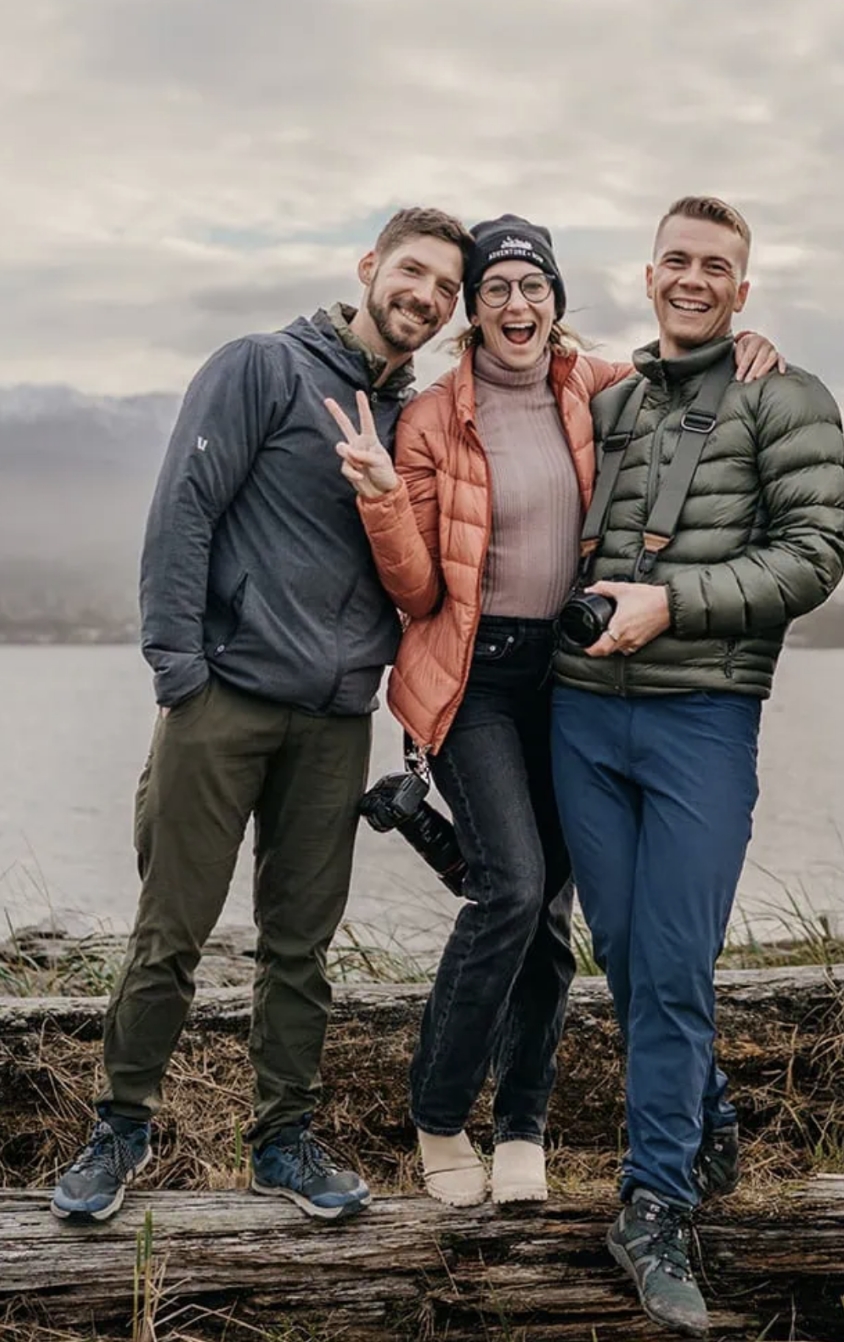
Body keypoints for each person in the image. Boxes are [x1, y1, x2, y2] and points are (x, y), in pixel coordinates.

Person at [326, 214, 780, 1210]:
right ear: (472, 310)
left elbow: (684, 380)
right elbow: (411, 587)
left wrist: (749, 349)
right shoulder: (433, 417)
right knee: (513, 889)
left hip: (571, 676)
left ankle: (523, 1121)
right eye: (496, 290)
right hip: (474, 679)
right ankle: (441, 1114)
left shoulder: (599, 388)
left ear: (557, 303)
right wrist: (376, 497)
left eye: (534, 289)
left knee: (553, 914)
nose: (517, 306)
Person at [50, 206, 471, 1225]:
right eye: (413, 272)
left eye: (445, 290)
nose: (425, 297)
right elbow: (183, 511)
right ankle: (120, 1128)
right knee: (171, 932)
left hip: (333, 718)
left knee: (301, 945)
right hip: (223, 699)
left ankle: (284, 1140)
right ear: (371, 266)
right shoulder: (261, 367)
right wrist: (179, 673)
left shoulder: (414, 419)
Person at [551, 196, 844, 1336]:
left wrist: (672, 604)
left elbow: (816, 552)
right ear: (647, 272)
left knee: (675, 963)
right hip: (580, 719)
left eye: (715, 265)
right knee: (629, 960)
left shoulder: (788, 395)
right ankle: (706, 1114)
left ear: (742, 285)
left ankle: (655, 1201)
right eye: (676, 258)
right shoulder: (609, 397)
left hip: (702, 719)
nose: (692, 277)